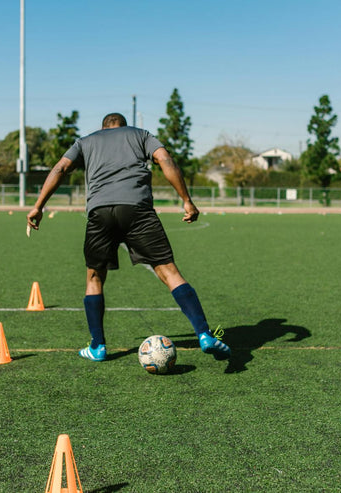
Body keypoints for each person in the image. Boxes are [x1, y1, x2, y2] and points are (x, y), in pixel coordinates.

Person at [26, 112, 230, 362]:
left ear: (103, 128)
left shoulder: (86, 141)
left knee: (94, 277)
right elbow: (165, 158)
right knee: (169, 271)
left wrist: (39, 206)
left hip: (100, 212)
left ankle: (98, 346)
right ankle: (204, 334)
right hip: (138, 210)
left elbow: (61, 167)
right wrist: (186, 200)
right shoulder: (141, 135)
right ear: (124, 126)